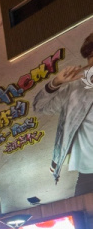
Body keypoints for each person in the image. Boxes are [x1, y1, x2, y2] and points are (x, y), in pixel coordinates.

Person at [33, 31, 93, 195]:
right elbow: (39, 106)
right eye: (89, 58)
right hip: (87, 174)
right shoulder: (76, 88)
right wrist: (56, 82)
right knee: (84, 218)